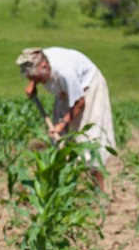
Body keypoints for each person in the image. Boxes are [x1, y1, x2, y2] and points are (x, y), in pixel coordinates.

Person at [16, 47, 115, 192]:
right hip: (65, 91)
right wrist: (33, 83)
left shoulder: (65, 73)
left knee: (89, 140)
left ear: (44, 66)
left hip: (88, 88)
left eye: (35, 77)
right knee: (58, 140)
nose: (35, 80)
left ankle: (99, 192)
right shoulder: (38, 60)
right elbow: (34, 71)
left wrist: (63, 124)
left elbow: (80, 102)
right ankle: (62, 188)